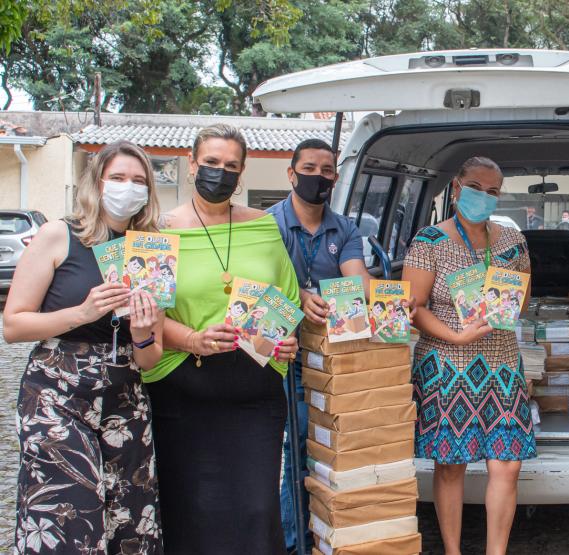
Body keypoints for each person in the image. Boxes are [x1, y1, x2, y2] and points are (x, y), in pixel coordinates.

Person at [4, 140, 165, 554]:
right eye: (118, 178)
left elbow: (150, 359)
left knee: (129, 516)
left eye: (138, 180)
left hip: (124, 395)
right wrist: (82, 311)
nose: (128, 188)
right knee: (68, 511)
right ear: (96, 183)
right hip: (58, 394)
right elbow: (14, 325)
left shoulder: (151, 250)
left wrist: (144, 330)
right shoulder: (60, 234)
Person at [147, 123, 300, 554]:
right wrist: (193, 338)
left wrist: (287, 342)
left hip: (255, 396)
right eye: (212, 162)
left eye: (231, 165)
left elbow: (286, 300)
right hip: (183, 391)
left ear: (242, 172)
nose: (221, 172)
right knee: (191, 508)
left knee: (256, 510)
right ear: (192, 164)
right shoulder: (157, 231)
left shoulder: (265, 228)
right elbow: (143, 313)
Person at [403, 156, 535, 555]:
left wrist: (506, 299)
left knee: (507, 463)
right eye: (476, 187)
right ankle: (453, 550)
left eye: (493, 191)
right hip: (447, 364)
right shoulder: (429, 242)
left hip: (502, 364)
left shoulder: (513, 242)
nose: (484, 196)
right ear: (457, 188)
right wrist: (456, 336)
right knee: (451, 464)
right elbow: (415, 306)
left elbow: (525, 300)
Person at [265, 138, 375, 554]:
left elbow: (358, 279)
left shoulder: (345, 228)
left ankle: (328, 536)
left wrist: (391, 300)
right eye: (309, 169)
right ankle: (294, 542)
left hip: (330, 359)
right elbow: (255, 289)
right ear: (291, 174)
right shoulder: (266, 225)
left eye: (327, 171)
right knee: (293, 451)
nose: (318, 177)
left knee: (327, 449)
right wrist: (298, 298)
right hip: (280, 355)